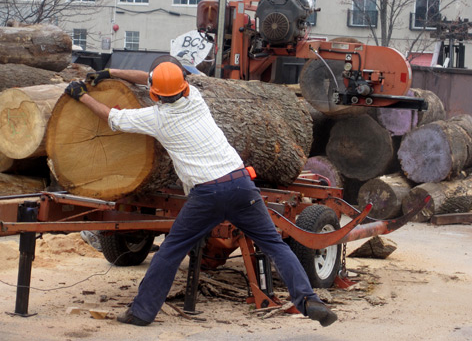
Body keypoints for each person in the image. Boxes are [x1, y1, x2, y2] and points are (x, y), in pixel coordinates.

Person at [63, 56, 338, 327]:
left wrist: (81, 96)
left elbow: (114, 118)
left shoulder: (156, 118)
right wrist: (111, 72)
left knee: (170, 252)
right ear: (183, 86)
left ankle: (142, 312)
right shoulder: (194, 97)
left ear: (155, 95)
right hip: (242, 184)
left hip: (207, 194)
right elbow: (151, 80)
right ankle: (308, 299)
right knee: (275, 245)